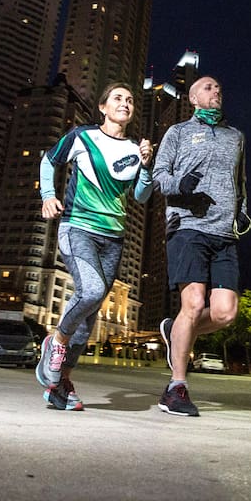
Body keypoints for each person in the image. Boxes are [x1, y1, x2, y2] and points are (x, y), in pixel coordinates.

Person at [35, 82, 154, 410]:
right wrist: (48, 195)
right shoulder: (83, 136)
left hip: (113, 239)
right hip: (77, 228)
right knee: (91, 291)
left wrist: (146, 166)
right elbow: (48, 160)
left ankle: (60, 383)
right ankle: (56, 342)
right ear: (103, 107)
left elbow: (141, 196)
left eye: (130, 100)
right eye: (118, 98)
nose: (125, 103)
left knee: (89, 314)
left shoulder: (135, 148)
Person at [152, 75, 249, 417]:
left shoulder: (235, 136)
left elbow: (240, 181)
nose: (216, 91)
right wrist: (182, 185)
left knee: (225, 313)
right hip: (187, 226)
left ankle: (174, 329)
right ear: (193, 98)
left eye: (219, 88)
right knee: (192, 304)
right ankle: (176, 387)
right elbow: (159, 177)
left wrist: (242, 211)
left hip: (224, 233)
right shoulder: (178, 132)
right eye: (208, 88)